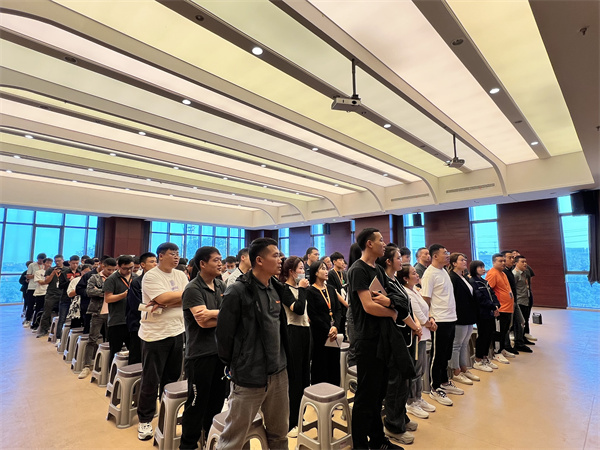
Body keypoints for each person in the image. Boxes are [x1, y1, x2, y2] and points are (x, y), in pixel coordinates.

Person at [216, 238, 289, 450]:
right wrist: (237, 364)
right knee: (233, 440)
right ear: (259, 260)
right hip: (249, 375)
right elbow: (224, 335)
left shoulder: (275, 287)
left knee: (279, 435)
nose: (280, 259)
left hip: (278, 373)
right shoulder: (237, 291)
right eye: (275, 255)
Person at [347, 228, 402, 450]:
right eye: (381, 240)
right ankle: (360, 445)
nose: (384, 244)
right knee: (365, 396)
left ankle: (378, 440)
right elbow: (369, 306)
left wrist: (390, 305)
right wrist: (393, 312)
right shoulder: (357, 270)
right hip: (367, 340)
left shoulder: (377, 269)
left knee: (378, 394)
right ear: (369, 243)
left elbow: (390, 297)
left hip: (382, 338)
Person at [137, 243, 188, 441]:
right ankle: (145, 420)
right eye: (172, 254)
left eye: (177, 254)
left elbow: (187, 298)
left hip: (177, 331)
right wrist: (167, 299)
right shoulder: (152, 276)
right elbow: (163, 297)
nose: (176, 257)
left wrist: (167, 301)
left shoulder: (180, 275)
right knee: (151, 380)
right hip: (155, 335)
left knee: (172, 378)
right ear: (161, 256)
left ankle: (167, 416)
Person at [180, 247, 227, 450]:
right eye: (216, 260)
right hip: (200, 354)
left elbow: (229, 314)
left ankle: (209, 438)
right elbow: (203, 322)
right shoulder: (193, 289)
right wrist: (224, 315)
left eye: (220, 259)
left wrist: (213, 313)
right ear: (202, 264)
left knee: (217, 401)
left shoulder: (220, 284)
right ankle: (188, 445)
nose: (220, 263)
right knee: (197, 403)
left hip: (220, 352)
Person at [378, 248, 421, 446]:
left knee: (404, 380)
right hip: (396, 338)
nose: (401, 261)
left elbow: (405, 306)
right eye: (398, 258)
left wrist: (415, 325)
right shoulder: (384, 282)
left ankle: (401, 416)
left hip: (407, 336)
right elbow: (400, 310)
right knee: (396, 383)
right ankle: (393, 425)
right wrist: (414, 326)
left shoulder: (394, 280)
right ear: (388, 261)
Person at [420, 244, 463, 406]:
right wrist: (429, 318)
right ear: (435, 256)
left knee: (446, 353)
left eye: (448, 252)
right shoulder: (429, 274)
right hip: (439, 320)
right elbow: (425, 299)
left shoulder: (444, 271)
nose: (448, 255)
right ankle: (435, 387)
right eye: (445, 253)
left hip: (450, 318)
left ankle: (444, 382)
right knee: (437, 356)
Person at [279, 256, 310, 438]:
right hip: (293, 333)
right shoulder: (285, 289)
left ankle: (301, 416)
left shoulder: (300, 288)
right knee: (294, 377)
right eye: (300, 268)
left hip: (305, 331)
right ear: (291, 271)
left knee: (305, 376)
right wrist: (303, 290)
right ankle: (291, 421)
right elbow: (297, 309)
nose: (302, 272)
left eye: (303, 268)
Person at [403, 264, 437, 420]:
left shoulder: (415, 290)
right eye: (413, 273)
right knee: (416, 369)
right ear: (405, 278)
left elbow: (425, 307)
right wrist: (428, 323)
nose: (417, 275)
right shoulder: (406, 293)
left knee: (421, 368)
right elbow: (417, 314)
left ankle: (418, 397)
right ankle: (411, 402)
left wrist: (431, 319)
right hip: (416, 334)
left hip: (424, 332)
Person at [79, 258, 118, 379]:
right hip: (97, 312)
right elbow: (89, 292)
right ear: (103, 266)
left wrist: (101, 291)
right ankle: (87, 365)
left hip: (113, 313)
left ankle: (107, 365)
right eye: (109, 269)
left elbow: (120, 293)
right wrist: (107, 292)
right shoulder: (94, 278)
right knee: (92, 339)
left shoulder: (116, 278)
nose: (111, 272)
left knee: (111, 340)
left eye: (113, 270)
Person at [306, 260, 343, 386]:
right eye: (322, 269)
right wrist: (328, 329)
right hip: (320, 334)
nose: (326, 271)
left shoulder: (331, 289)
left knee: (334, 363)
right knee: (321, 364)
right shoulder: (310, 291)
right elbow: (313, 314)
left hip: (334, 333)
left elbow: (338, 310)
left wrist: (336, 327)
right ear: (315, 273)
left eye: (326, 268)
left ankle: (335, 391)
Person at [448, 253, 480, 386]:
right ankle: (456, 371)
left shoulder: (464, 277)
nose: (465, 261)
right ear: (454, 263)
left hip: (468, 314)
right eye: (461, 260)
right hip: (459, 315)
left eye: (465, 259)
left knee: (464, 343)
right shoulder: (452, 277)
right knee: (457, 344)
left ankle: (464, 368)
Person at [104, 255, 137, 362]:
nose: (129, 271)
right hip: (117, 320)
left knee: (135, 352)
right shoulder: (111, 279)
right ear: (118, 266)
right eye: (125, 268)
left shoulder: (136, 277)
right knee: (115, 350)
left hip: (133, 320)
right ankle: (112, 371)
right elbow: (108, 298)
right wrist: (124, 295)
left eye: (131, 268)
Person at [469, 260, 500, 372]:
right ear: (474, 269)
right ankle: (478, 360)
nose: (483, 269)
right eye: (480, 267)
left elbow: (492, 294)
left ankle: (485, 357)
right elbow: (480, 298)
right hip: (481, 313)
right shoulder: (473, 282)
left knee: (489, 335)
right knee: (482, 335)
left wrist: (496, 305)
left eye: (483, 267)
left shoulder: (484, 281)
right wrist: (492, 306)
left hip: (490, 312)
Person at [126, 252, 157, 365]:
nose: (155, 264)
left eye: (156, 262)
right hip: (138, 323)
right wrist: (156, 308)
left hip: (155, 325)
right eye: (152, 262)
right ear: (143, 265)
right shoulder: (136, 282)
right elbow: (136, 306)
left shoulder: (159, 281)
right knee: (137, 355)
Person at [486, 253, 514, 363]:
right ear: (493, 262)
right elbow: (488, 291)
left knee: (505, 331)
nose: (503, 263)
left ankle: (502, 349)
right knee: (498, 332)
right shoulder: (493, 273)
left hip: (508, 308)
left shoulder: (502, 273)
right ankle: (497, 352)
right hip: (500, 309)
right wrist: (494, 307)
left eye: (503, 261)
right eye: (500, 261)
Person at [36, 255, 65, 338]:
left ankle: (60, 331)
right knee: (46, 312)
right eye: (56, 261)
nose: (57, 262)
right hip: (51, 294)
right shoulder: (50, 270)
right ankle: (43, 330)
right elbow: (46, 281)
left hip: (62, 294)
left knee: (62, 314)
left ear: (63, 260)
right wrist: (53, 273)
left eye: (59, 261)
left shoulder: (66, 270)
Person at [56, 255, 82, 342]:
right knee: (62, 318)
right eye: (73, 263)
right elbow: (60, 286)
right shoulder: (64, 273)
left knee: (75, 319)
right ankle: (59, 338)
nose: (75, 265)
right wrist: (69, 282)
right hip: (65, 298)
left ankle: (71, 339)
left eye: (77, 263)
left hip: (76, 300)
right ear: (69, 262)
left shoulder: (80, 272)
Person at [328, 251, 349, 337]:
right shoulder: (331, 274)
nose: (342, 262)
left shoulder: (344, 273)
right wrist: (345, 303)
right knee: (339, 326)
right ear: (334, 262)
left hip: (345, 302)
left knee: (344, 327)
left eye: (343, 260)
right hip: (338, 304)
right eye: (340, 260)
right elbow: (334, 291)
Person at [23, 253, 46, 327]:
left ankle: (36, 322)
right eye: (40, 260)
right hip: (32, 287)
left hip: (42, 288)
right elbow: (28, 276)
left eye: (42, 260)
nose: (41, 261)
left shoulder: (45, 266)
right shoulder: (32, 265)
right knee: (30, 304)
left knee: (40, 306)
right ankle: (28, 319)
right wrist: (37, 275)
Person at [66, 264, 92, 328]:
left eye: (89, 272)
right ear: (81, 271)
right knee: (76, 325)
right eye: (85, 271)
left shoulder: (92, 280)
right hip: (76, 306)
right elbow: (70, 294)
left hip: (88, 305)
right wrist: (80, 290)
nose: (86, 273)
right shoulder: (75, 280)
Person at [30, 258, 53, 329]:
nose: (49, 265)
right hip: (40, 293)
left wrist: (47, 281)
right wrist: (48, 281)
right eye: (47, 263)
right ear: (44, 263)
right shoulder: (38, 272)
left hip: (50, 293)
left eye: (50, 263)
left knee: (48, 310)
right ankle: (35, 325)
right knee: (38, 309)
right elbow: (40, 282)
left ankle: (46, 326)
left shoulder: (53, 272)